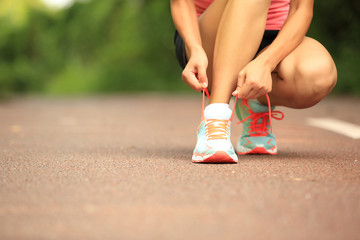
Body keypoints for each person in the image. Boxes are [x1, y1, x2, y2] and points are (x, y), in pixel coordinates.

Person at [171, 0, 337, 163]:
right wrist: (195, 49)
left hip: (275, 39)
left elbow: (301, 9)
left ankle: (253, 101)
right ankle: (215, 119)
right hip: (207, 42)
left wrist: (266, 63)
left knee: (318, 76)